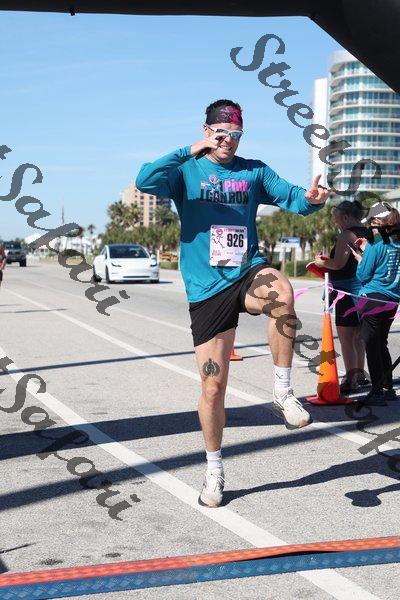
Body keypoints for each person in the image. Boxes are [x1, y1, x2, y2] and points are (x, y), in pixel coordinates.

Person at [136, 99, 330, 507]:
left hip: (246, 271)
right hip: (207, 289)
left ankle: (282, 392)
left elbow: (294, 198)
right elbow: (145, 179)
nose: (228, 140)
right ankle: (214, 469)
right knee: (213, 387)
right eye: (221, 133)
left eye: (235, 134)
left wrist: (313, 198)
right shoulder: (185, 171)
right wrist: (190, 150)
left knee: (282, 293)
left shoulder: (253, 171)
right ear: (207, 130)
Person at [314, 201, 373, 393]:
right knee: (359, 337)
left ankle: (351, 379)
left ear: (346, 217)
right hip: (364, 288)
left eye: (337, 219)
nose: (336, 223)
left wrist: (321, 263)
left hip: (347, 290)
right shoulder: (368, 232)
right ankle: (359, 375)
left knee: (346, 337)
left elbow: (338, 264)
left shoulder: (347, 234)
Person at [349, 201, 400, 406]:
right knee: (382, 342)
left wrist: (360, 258)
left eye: (370, 223)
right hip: (393, 299)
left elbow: (363, 275)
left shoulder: (375, 244)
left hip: (372, 298)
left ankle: (377, 392)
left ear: (378, 223)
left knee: (371, 343)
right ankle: (388, 388)